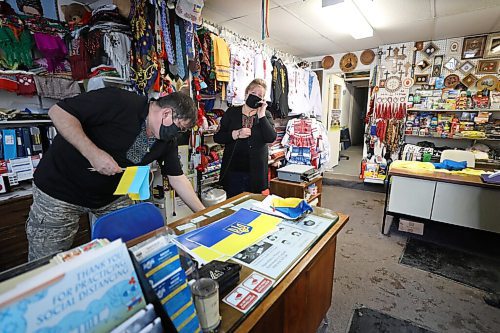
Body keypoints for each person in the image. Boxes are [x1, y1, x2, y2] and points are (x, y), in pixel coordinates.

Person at [26, 87, 205, 261]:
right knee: (47, 261)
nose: (177, 134)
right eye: (179, 128)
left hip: (109, 196)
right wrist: (93, 154)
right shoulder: (120, 102)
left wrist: (204, 214)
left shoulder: (164, 140)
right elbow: (58, 112)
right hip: (59, 190)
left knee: (134, 247)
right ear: (166, 113)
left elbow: (177, 178)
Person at [214, 79, 277, 197]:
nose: (256, 97)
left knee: (255, 207)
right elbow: (217, 137)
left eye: (260, 96)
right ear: (246, 93)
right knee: (232, 206)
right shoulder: (232, 112)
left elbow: (271, 138)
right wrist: (236, 134)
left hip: (257, 173)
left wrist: (261, 115)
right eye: (254, 93)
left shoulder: (265, 115)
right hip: (234, 171)